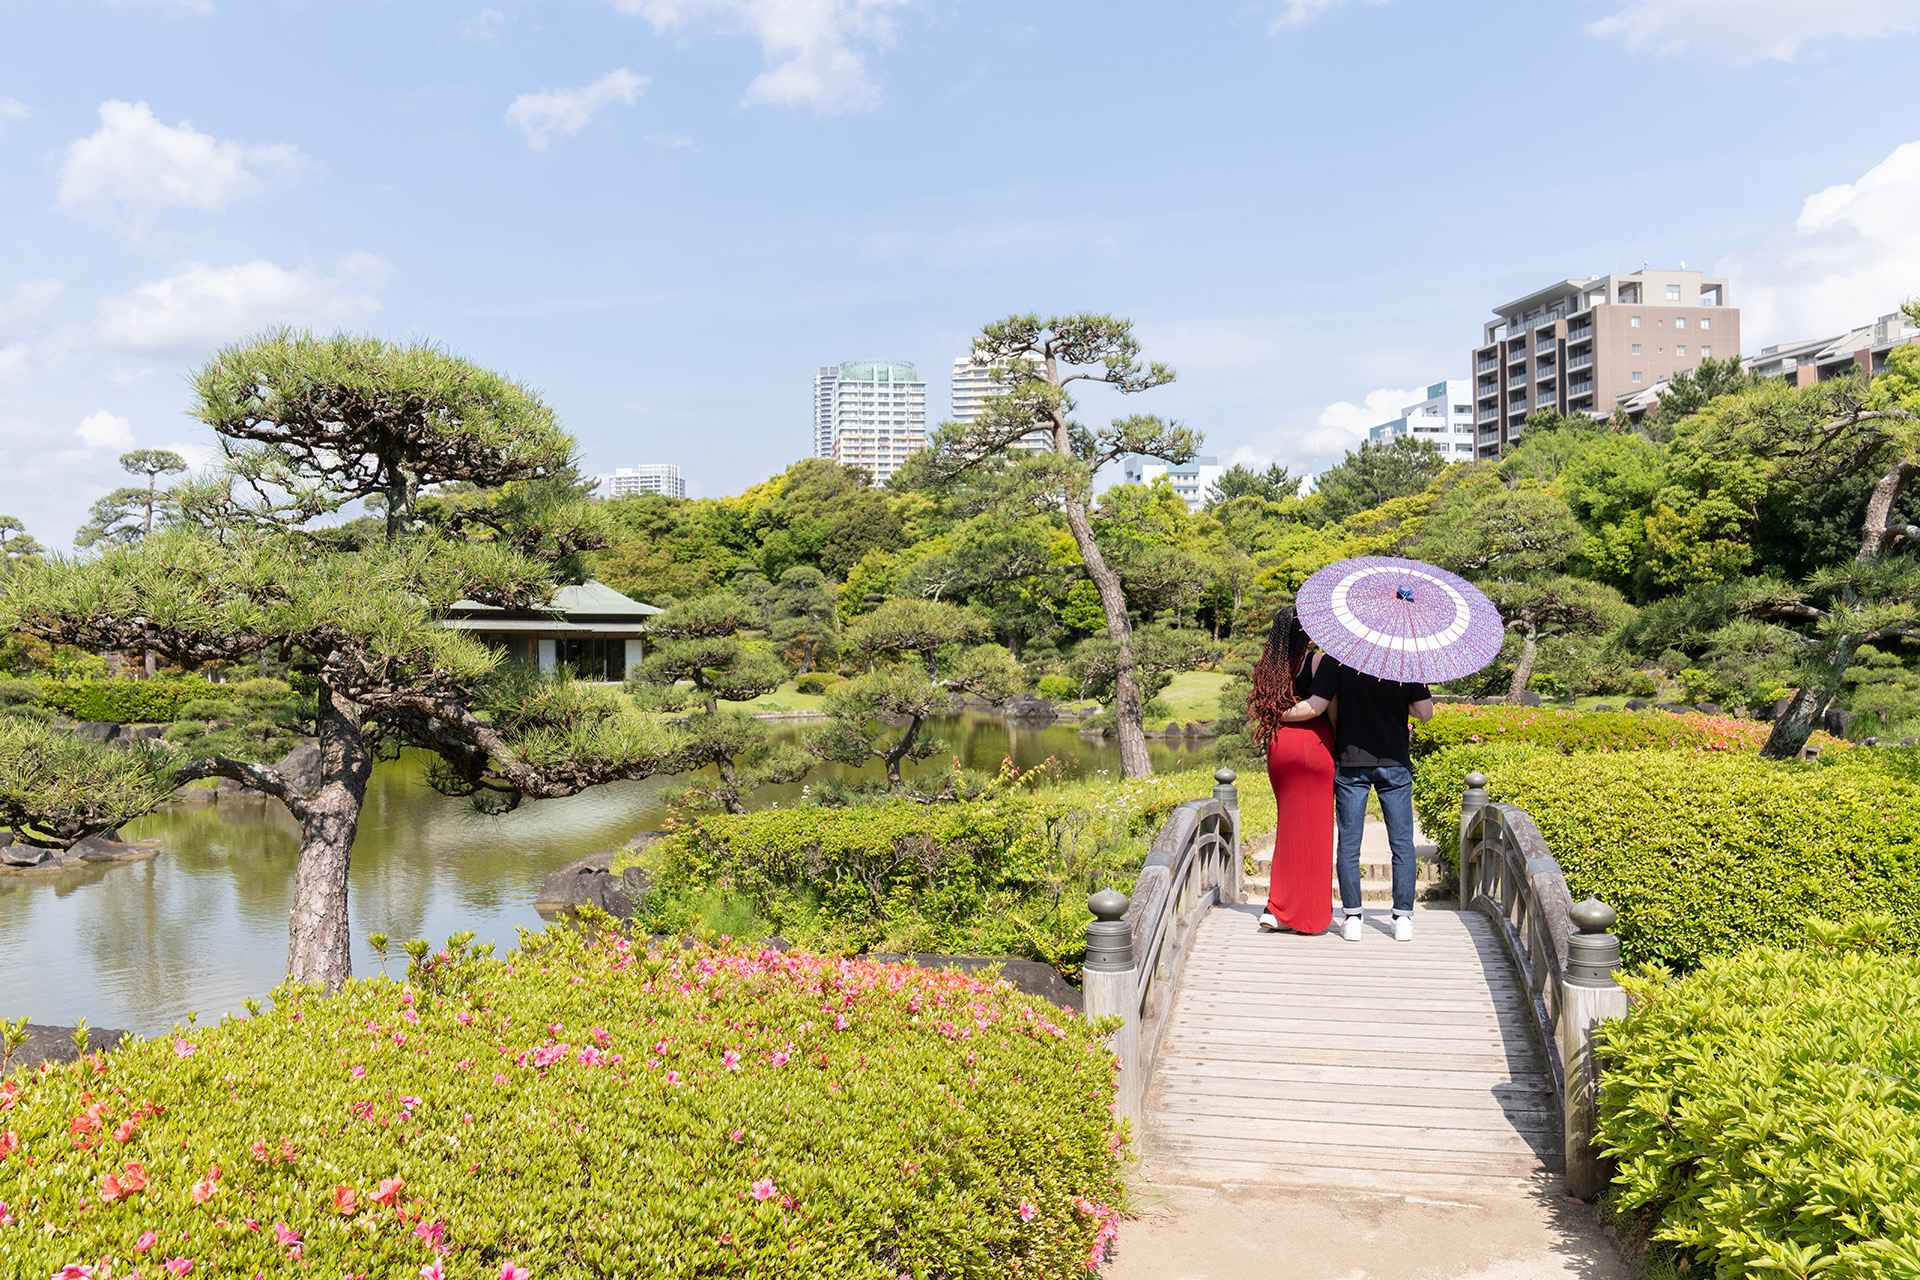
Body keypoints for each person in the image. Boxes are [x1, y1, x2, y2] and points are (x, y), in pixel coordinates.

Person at [1280, 654, 1433, 942]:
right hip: (1395, 761)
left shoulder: (1338, 658)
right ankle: (1402, 919)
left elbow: (1316, 706)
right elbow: (1425, 712)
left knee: (1349, 845)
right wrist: (1399, 701)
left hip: (1351, 762)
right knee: (1402, 844)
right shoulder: (1407, 659)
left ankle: (1352, 918)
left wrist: (1276, 713)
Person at [1246, 607, 1334, 935]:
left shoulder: (1268, 667)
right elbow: (1317, 707)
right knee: (1315, 833)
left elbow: (1261, 704)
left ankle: (1276, 907)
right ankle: (1304, 915)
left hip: (1279, 748)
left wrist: (1272, 715)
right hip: (1313, 749)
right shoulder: (1320, 662)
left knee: (1289, 826)